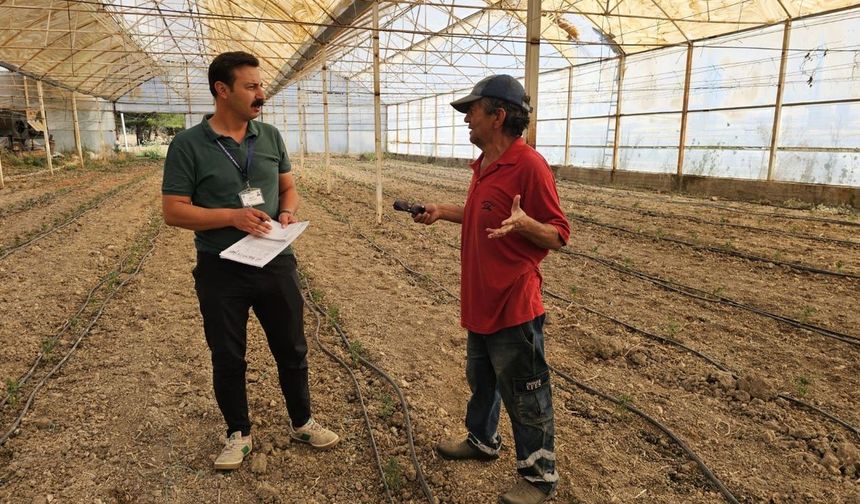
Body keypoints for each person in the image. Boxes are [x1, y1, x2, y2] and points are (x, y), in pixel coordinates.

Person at [161, 51, 338, 471]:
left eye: (261, 86)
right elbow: (173, 211)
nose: (261, 94)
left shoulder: (270, 136)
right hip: (221, 266)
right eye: (251, 86)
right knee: (227, 354)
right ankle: (238, 433)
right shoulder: (188, 145)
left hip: (275, 260)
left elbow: (288, 188)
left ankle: (302, 421)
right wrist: (232, 217)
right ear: (222, 90)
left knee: (291, 347)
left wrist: (287, 212)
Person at [412, 75, 570, 504]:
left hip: (513, 304)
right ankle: (482, 440)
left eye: (473, 111)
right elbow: (482, 212)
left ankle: (539, 476)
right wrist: (442, 211)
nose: (467, 119)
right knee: (481, 380)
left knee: (526, 393)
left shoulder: (529, 165)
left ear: (498, 116)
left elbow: (558, 234)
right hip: (480, 300)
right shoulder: (484, 164)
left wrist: (526, 224)